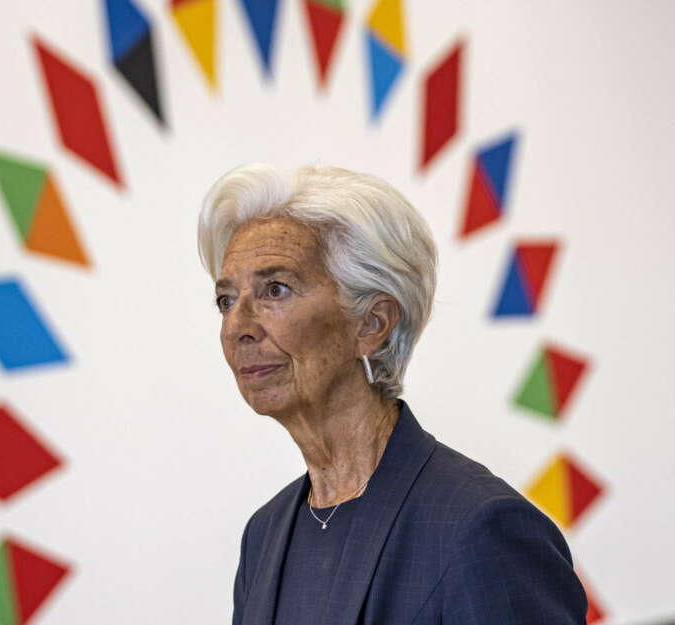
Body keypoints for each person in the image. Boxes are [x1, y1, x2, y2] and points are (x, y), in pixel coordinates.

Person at [197, 164, 587, 625]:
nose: (237, 326)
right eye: (226, 300)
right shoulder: (264, 536)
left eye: (274, 290)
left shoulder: (480, 528)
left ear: (372, 324)